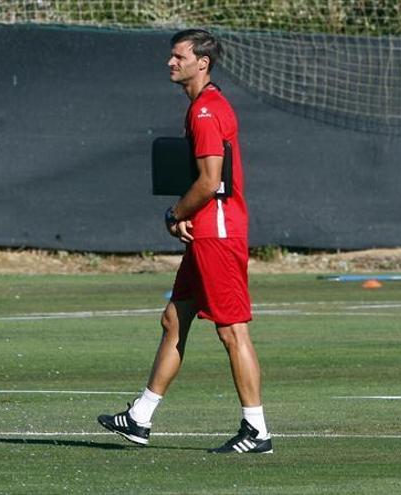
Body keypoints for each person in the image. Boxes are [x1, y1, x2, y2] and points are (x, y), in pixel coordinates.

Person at [97, 29, 272, 454]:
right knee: (175, 319)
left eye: (178, 57)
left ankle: (257, 430)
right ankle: (139, 418)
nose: (170, 63)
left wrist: (176, 214)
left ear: (202, 63)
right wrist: (182, 216)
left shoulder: (207, 111)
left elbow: (210, 181)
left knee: (232, 332)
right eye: (171, 56)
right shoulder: (201, 107)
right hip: (206, 233)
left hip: (218, 234)